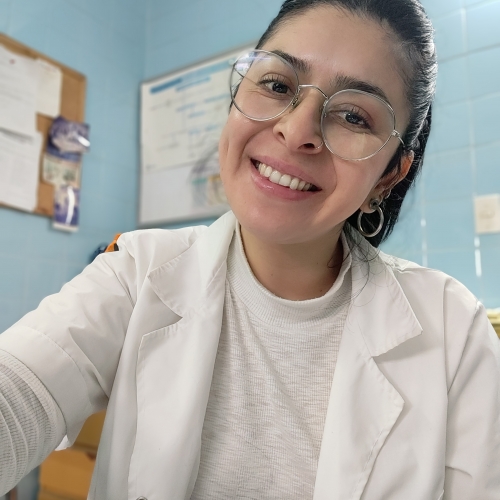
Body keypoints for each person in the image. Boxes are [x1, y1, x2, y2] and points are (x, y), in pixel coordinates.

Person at [1, 0, 499, 498]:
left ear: (388, 175)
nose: (296, 131)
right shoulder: (136, 271)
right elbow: (19, 390)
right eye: (278, 85)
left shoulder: (453, 330)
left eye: (353, 115)